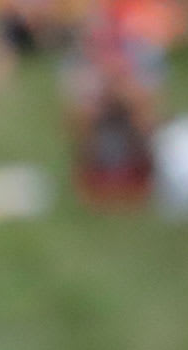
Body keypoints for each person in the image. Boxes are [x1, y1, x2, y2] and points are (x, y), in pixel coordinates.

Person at [62, 0, 169, 207]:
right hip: (97, 151)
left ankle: (138, 178)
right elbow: (71, 124)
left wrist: (124, 89)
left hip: (137, 145)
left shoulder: (144, 48)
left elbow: (154, 120)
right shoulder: (79, 57)